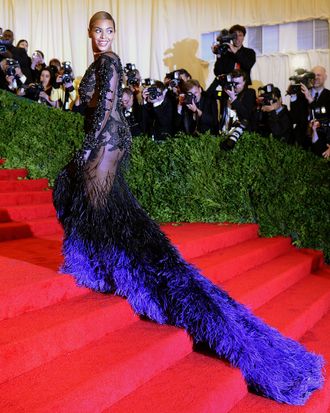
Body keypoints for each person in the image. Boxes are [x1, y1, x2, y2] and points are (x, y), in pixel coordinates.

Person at [52, 11, 324, 407]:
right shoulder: (100, 61)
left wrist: (85, 154)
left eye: (109, 31)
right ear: (90, 33)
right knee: (105, 214)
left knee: (98, 209)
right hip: (109, 145)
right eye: (98, 31)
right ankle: (100, 267)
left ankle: (102, 269)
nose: (104, 37)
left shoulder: (107, 63)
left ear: (114, 34)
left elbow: (107, 107)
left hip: (103, 147)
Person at [220, 69, 256, 150]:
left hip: (240, 137)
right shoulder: (226, 93)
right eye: (233, 83)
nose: (234, 86)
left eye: (237, 83)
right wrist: (218, 80)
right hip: (224, 133)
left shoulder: (249, 93)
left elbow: (247, 115)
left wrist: (233, 99)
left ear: (245, 82)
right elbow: (208, 94)